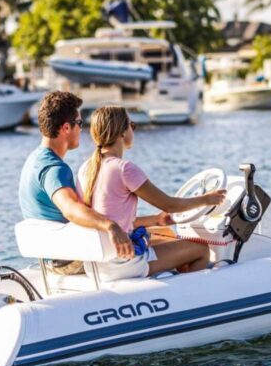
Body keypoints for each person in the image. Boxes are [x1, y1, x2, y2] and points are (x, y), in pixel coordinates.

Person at [79, 105, 227, 281]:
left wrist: (157, 220)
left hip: (98, 264)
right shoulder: (124, 169)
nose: (133, 130)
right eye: (131, 125)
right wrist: (208, 199)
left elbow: (115, 220)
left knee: (165, 234)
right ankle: (187, 297)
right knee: (201, 249)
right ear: (122, 132)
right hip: (123, 263)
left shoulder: (86, 168)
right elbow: (170, 205)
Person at [18, 91, 132, 274]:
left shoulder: (34, 159)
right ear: (66, 128)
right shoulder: (55, 169)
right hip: (69, 260)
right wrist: (110, 226)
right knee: (161, 241)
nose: (81, 129)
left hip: (51, 258)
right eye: (79, 123)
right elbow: (70, 209)